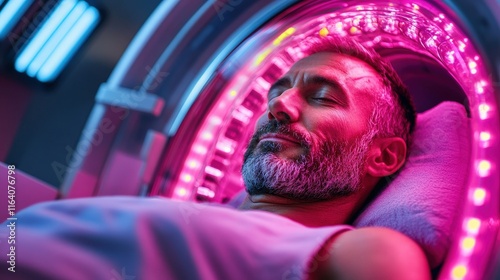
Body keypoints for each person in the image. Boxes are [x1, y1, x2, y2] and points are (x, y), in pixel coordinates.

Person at [0, 36, 430, 280]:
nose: (279, 107)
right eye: (276, 93)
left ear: (384, 156)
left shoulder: (361, 251)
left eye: (322, 97)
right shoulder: (180, 211)